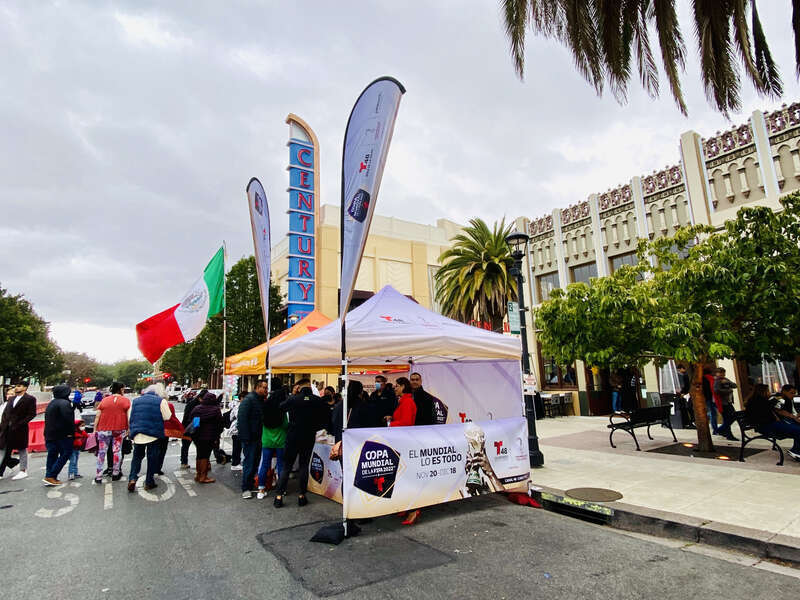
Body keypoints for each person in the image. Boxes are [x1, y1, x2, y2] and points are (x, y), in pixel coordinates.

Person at [273, 378, 325, 508]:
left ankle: (279, 496)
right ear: (309, 386)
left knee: (287, 466)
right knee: (303, 465)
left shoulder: (293, 399)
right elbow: (324, 417)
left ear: (299, 387)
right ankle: (302, 496)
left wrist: (293, 395)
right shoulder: (317, 400)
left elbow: (280, 407)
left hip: (293, 435)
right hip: (308, 435)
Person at [127, 383, 170, 492]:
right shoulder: (161, 401)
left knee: (136, 457)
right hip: (153, 434)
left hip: (138, 434)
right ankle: (149, 481)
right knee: (152, 458)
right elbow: (167, 416)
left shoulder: (136, 401)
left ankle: (132, 478)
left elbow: (130, 416)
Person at [745, 383, 800, 461]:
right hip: (766, 426)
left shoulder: (763, 400)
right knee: (797, 429)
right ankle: (796, 451)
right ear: (762, 392)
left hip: (771, 424)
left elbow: (778, 410)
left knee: (797, 427)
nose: (769, 393)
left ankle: (796, 450)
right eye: (768, 391)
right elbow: (774, 412)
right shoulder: (758, 401)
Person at [257, 378, 289, 499]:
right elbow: (286, 425)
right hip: (281, 441)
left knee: (265, 464)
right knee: (281, 465)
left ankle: (261, 489)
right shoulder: (281, 410)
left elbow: (262, 422)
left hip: (266, 440)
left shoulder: (265, 406)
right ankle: (282, 489)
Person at [0, 380, 37, 481]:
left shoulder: (30, 399)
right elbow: (6, 413)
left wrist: (20, 424)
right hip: (7, 428)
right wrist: (3, 425)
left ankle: (23, 470)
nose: (16, 388)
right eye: (16, 386)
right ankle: (1, 471)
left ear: (25, 388)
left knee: (22, 449)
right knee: (4, 449)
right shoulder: (12, 399)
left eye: (19, 386)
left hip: (20, 429)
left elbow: (32, 414)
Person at [94, 381, 130, 483]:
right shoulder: (125, 401)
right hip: (119, 428)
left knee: (101, 452)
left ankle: (98, 476)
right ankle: (115, 473)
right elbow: (128, 416)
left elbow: (98, 416)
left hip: (103, 429)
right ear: (121, 389)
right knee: (117, 451)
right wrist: (129, 429)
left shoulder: (104, 400)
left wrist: (95, 429)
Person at [237, 380, 266, 499]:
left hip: (258, 437)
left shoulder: (259, 400)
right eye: (264, 388)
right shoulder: (249, 400)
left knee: (254, 462)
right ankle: (246, 488)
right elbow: (242, 419)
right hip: (250, 438)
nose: (266, 390)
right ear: (257, 387)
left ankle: (250, 484)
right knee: (249, 462)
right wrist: (246, 437)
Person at [43, 384, 75, 485]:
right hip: (62, 435)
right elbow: (68, 420)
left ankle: (49, 476)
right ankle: (52, 475)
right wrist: (71, 433)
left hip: (49, 434)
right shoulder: (64, 403)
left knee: (52, 454)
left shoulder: (52, 403)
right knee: (65, 453)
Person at [189, 391, 224, 484]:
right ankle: (203, 477)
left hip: (198, 436)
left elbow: (194, 423)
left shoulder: (197, 408)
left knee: (199, 455)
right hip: (209, 436)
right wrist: (217, 436)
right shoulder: (216, 410)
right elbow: (219, 424)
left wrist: (196, 434)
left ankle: (198, 474)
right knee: (205, 456)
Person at [153, 402, 184, 476]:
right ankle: (158, 468)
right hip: (165, 431)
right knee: (162, 450)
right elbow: (172, 417)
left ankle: (152, 468)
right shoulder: (169, 405)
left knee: (154, 450)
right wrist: (181, 428)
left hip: (154, 430)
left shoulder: (153, 404)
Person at [180, 389, 203, 470]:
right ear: (200, 398)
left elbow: (185, 417)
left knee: (185, 446)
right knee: (197, 446)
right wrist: (196, 428)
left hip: (186, 427)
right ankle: (199, 463)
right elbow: (195, 418)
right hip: (191, 428)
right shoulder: (197, 405)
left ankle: (184, 462)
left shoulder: (191, 403)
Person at [713, 367, 738, 441]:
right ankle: (726, 433)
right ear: (717, 373)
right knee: (728, 418)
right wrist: (728, 390)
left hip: (728, 402)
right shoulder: (717, 381)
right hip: (722, 403)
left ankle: (722, 430)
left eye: (723, 373)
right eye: (720, 373)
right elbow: (716, 390)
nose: (722, 374)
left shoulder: (725, 379)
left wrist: (728, 383)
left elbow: (735, 385)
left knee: (732, 417)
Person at [228, 394, 243, 472]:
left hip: (235, 430)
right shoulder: (239, 407)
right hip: (236, 430)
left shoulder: (236, 406)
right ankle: (235, 464)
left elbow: (231, 417)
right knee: (237, 447)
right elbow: (239, 416)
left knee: (237, 447)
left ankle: (236, 462)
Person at [702, 367, 719, 434]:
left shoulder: (703, 379)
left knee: (712, 413)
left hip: (708, 398)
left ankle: (715, 429)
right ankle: (715, 429)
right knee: (713, 413)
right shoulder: (711, 378)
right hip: (712, 398)